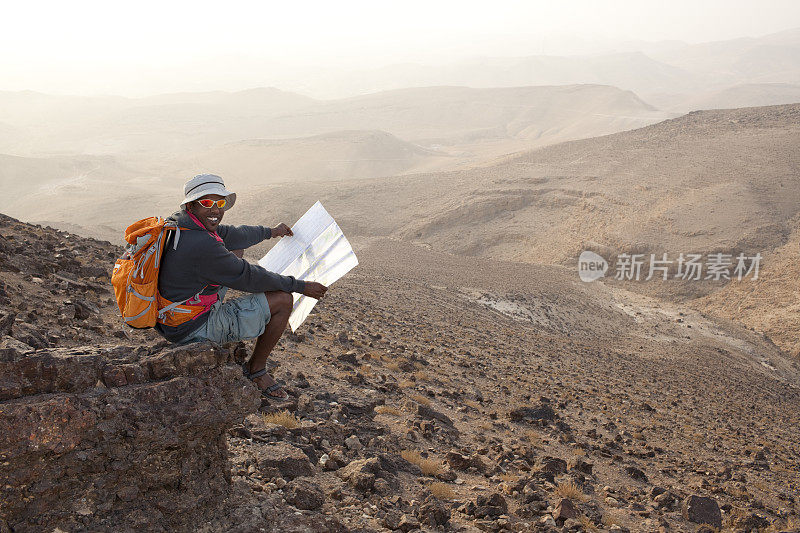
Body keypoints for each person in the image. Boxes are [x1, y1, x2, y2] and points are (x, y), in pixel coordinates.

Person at [155, 173, 328, 400]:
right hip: (190, 328)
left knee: (235, 250)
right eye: (207, 203)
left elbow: (233, 234)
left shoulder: (183, 223)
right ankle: (257, 369)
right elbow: (248, 277)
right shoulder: (201, 244)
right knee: (283, 299)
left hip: (172, 314)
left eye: (221, 203)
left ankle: (227, 320)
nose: (216, 210)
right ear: (191, 205)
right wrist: (299, 285)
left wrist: (271, 232)